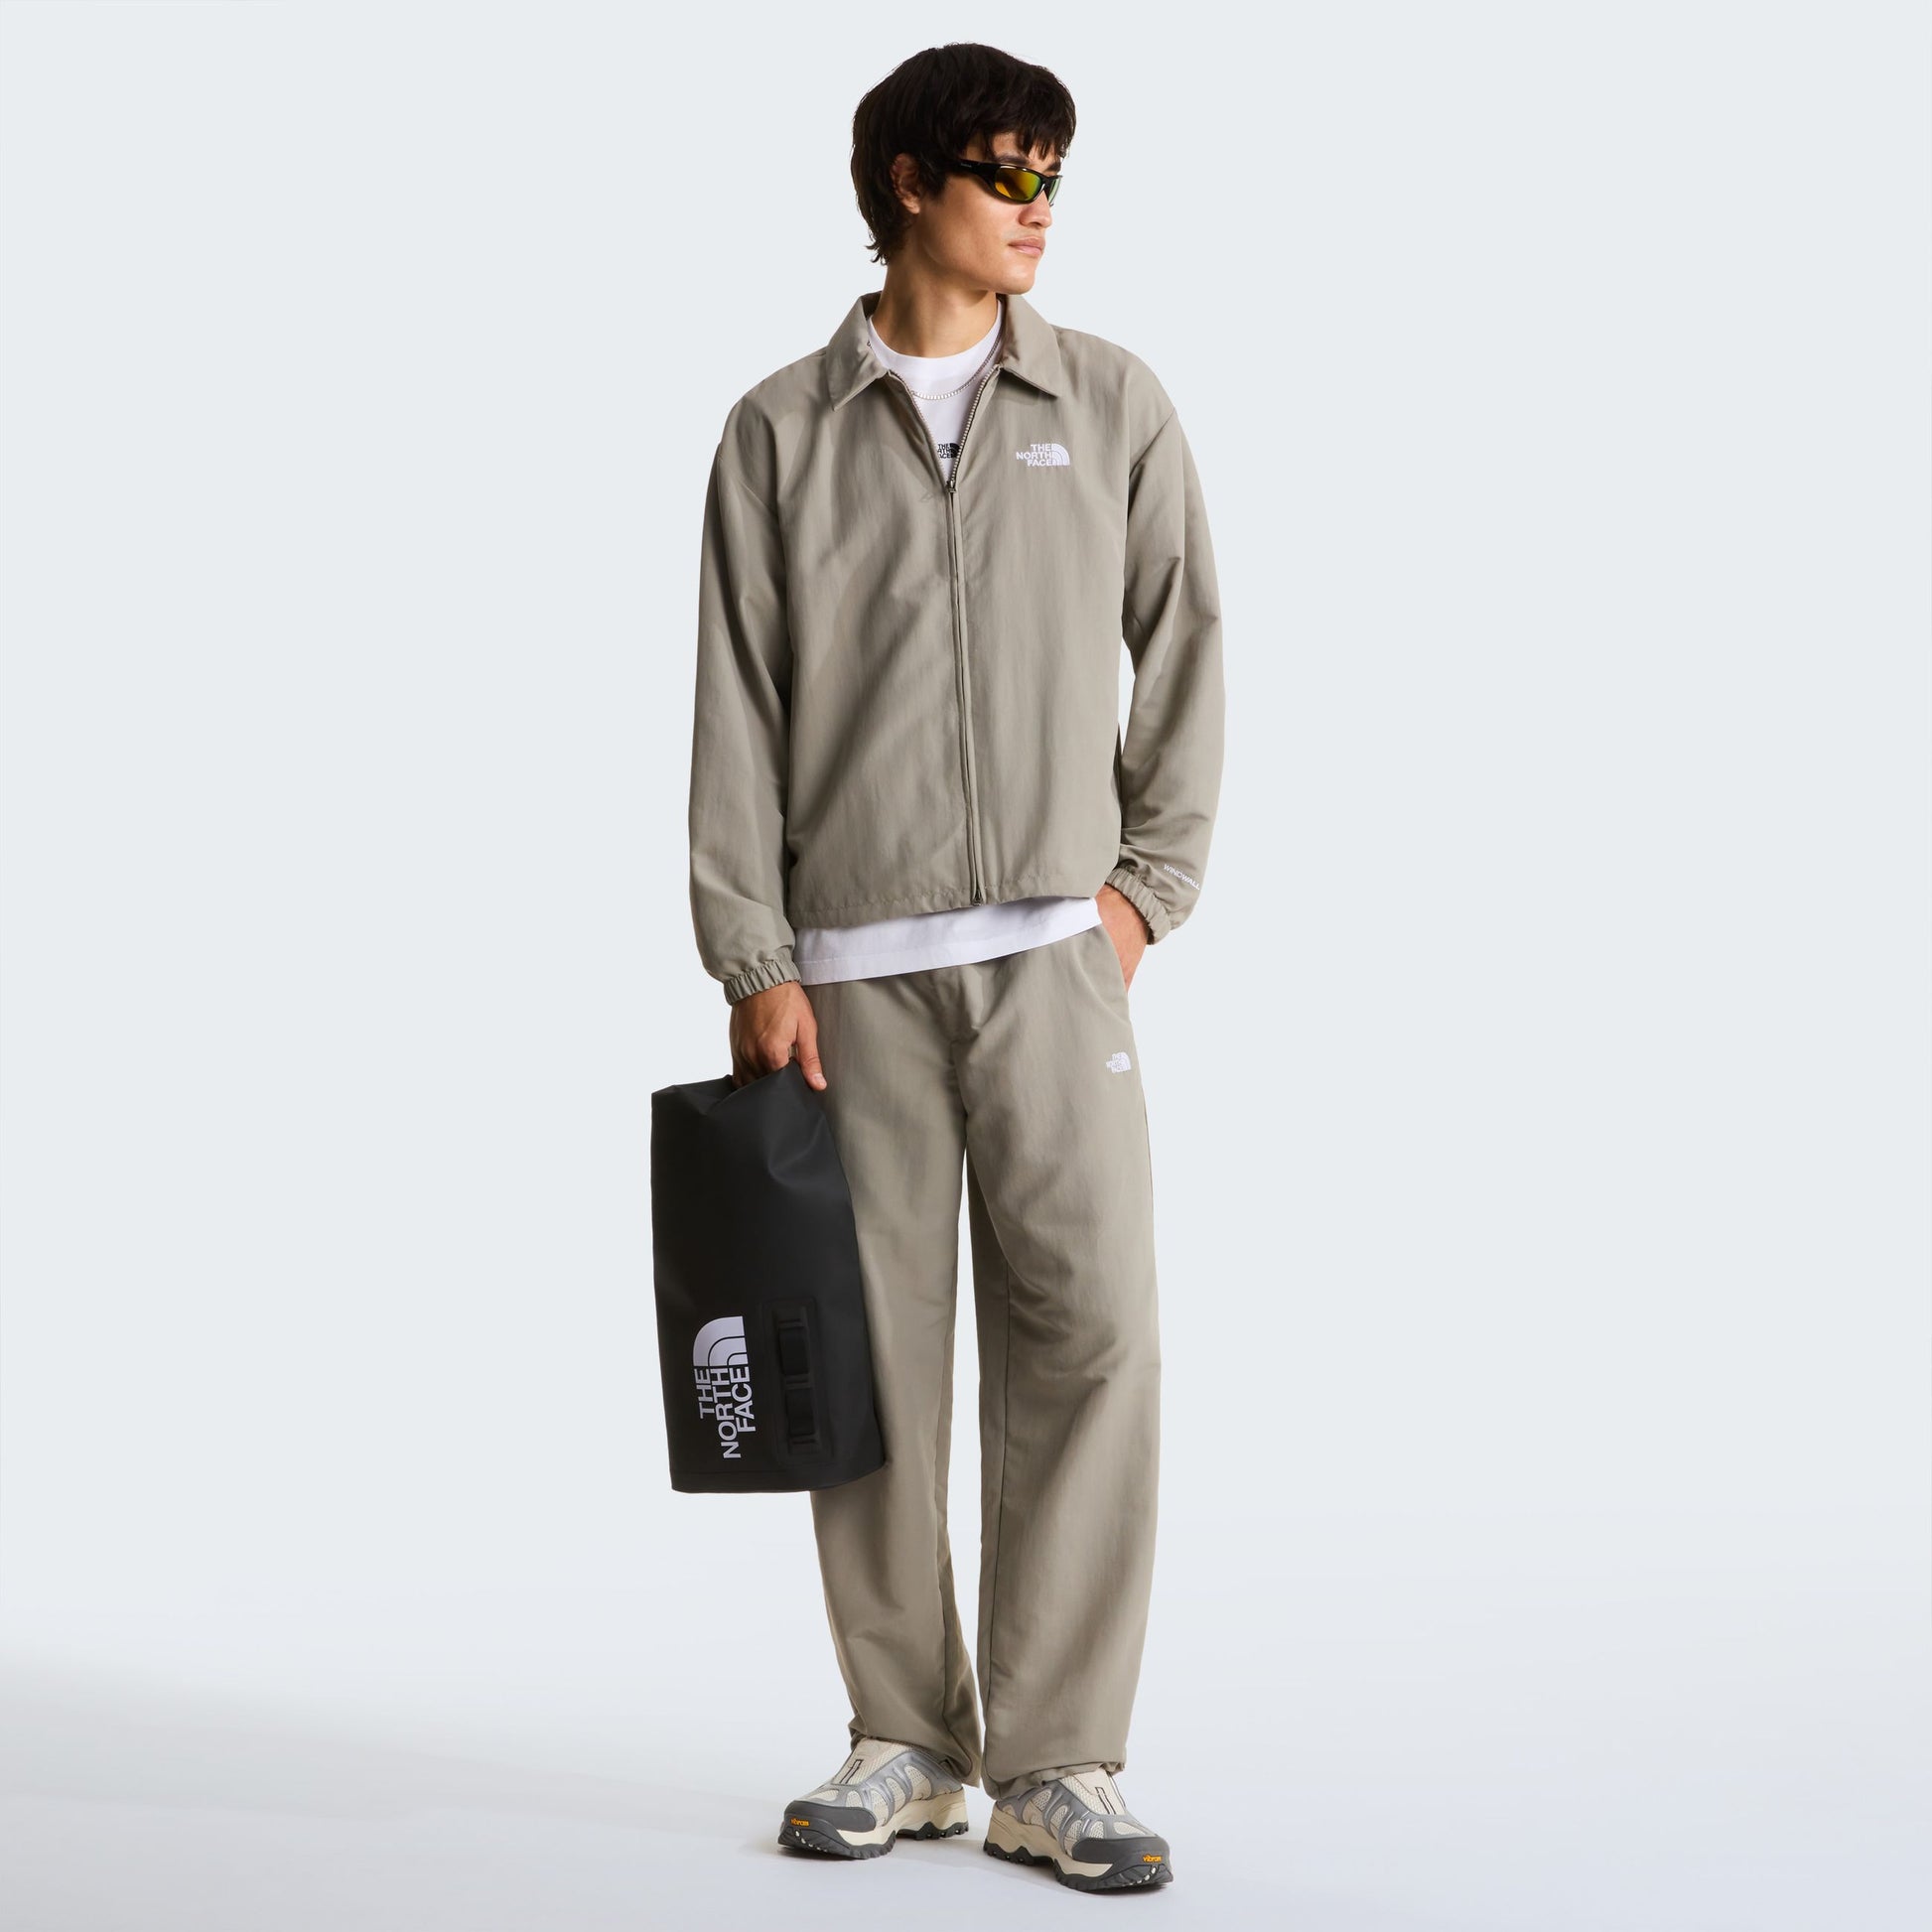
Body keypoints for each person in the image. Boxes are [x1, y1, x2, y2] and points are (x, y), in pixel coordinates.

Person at [685, 40, 1223, 1894]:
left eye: (1051, 175)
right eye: (1007, 173)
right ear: (910, 183)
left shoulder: (1111, 400)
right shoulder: (779, 429)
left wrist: (1142, 893)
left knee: (1092, 1338)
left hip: (1056, 963)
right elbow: (736, 703)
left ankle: (1056, 1758)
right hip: (846, 983)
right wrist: (751, 952)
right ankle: (906, 1735)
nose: (1037, 208)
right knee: (865, 1363)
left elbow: (1190, 646)